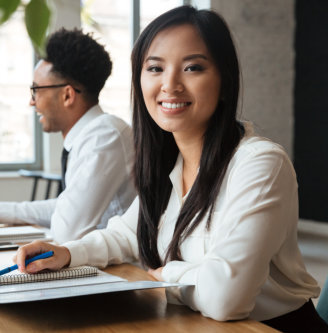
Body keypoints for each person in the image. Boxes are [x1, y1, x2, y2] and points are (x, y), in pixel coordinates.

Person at [14, 6, 328, 332]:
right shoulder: (168, 162)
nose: (170, 84)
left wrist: (170, 273)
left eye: (192, 67)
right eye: (155, 68)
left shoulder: (260, 165)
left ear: (224, 79)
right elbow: (126, 233)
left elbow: (226, 299)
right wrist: (65, 253)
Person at [0, 28, 136, 243]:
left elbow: (66, 233)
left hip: (126, 270)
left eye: (36, 90)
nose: (32, 101)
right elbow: (65, 206)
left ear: (67, 95)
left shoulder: (104, 137)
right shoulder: (91, 135)